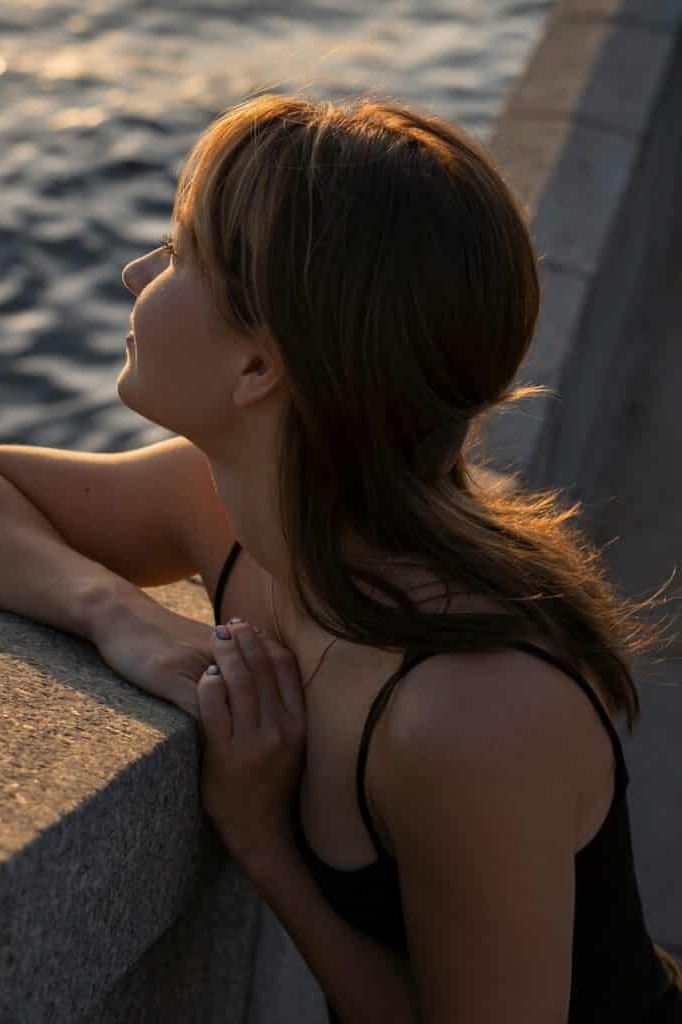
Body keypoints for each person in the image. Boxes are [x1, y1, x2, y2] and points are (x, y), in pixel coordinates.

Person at [116, 92, 682, 1022]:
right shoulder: (243, 515)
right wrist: (130, 628)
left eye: (181, 256)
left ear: (260, 369)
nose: (136, 271)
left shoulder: (468, 713)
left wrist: (265, 844)